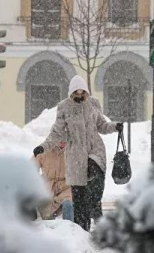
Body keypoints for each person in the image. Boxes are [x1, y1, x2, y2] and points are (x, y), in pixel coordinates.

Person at [33, 75, 123, 231]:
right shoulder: (64, 107)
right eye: (77, 93)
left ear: (87, 92)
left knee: (94, 183)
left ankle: (95, 208)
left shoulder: (94, 104)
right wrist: (44, 147)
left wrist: (115, 127)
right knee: (79, 199)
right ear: (71, 93)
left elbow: (101, 125)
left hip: (95, 151)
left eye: (83, 93)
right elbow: (57, 132)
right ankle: (82, 232)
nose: (80, 96)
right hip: (75, 156)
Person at [33, 141, 74, 222]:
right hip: (48, 186)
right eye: (60, 141)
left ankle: (70, 228)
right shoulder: (43, 149)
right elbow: (31, 169)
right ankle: (50, 228)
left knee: (68, 204)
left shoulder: (73, 151)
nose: (63, 143)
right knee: (46, 213)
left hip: (67, 186)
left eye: (65, 141)